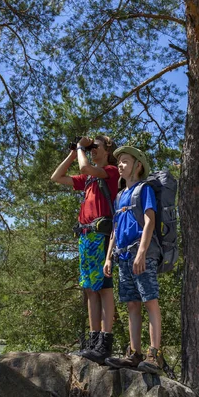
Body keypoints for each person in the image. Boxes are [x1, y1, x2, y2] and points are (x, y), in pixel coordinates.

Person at [51, 134, 119, 363]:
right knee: (90, 288)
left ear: (108, 150)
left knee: (104, 288)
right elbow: (56, 177)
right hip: (85, 235)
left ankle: (106, 341)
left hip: (101, 235)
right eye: (91, 148)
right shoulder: (89, 179)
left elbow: (85, 166)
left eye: (96, 147)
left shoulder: (110, 170)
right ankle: (93, 340)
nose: (92, 150)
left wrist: (81, 147)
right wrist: (72, 153)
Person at [103, 146, 163, 374]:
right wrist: (108, 258)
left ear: (138, 165)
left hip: (141, 254)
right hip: (123, 256)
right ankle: (134, 354)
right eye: (119, 162)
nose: (120, 165)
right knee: (131, 304)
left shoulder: (143, 189)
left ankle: (154, 354)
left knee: (150, 301)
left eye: (125, 161)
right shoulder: (119, 196)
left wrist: (142, 252)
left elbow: (150, 221)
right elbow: (115, 230)